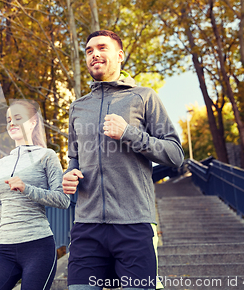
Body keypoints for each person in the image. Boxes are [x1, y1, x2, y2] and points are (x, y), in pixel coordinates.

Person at [62, 30, 184, 290]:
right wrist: (70, 175)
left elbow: (175, 154)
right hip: (87, 226)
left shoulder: (144, 97)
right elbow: (74, 158)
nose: (94, 54)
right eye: (89, 50)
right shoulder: (77, 107)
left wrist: (129, 133)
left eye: (102, 48)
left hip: (133, 223)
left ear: (119, 56)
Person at [0, 100, 70, 290]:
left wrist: (27, 188)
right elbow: (1, 202)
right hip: (4, 249)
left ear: (33, 122)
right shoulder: (3, 163)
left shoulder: (47, 155)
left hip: (38, 247)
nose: (11, 123)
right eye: (9, 119)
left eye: (18, 118)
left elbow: (63, 199)